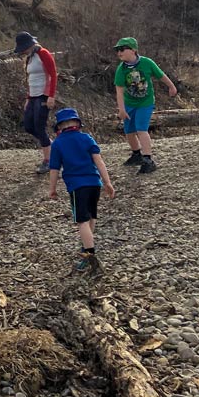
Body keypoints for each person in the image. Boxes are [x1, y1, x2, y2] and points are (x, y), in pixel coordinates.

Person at [47, 108, 116, 273]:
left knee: (81, 220)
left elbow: (54, 169)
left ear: (60, 127)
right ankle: (87, 244)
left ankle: (89, 254)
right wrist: (107, 182)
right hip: (94, 183)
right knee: (91, 216)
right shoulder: (86, 138)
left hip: (77, 186)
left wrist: (52, 189)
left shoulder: (58, 144)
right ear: (77, 123)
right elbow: (99, 162)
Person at [113, 36, 177, 174]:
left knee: (141, 129)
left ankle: (148, 159)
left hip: (145, 103)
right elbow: (119, 90)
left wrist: (171, 86)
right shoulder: (121, 69)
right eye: (118, 50)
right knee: (129, 131)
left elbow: (161, 75)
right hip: (129, 103)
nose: (119, 52)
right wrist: (122, 109)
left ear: (133, 50)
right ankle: (136, 154)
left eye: (123, 49)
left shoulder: (147, 63)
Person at [14, 31, 58, 174]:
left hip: (43, 96)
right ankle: (52, 147)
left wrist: (51, 96)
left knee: (40, 126)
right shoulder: (29, 58)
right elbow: (30, 80)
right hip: (33, 96)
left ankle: (48, 160)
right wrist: (28, 98)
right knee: (28, 126)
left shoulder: (43, 53)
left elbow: (53, 74)